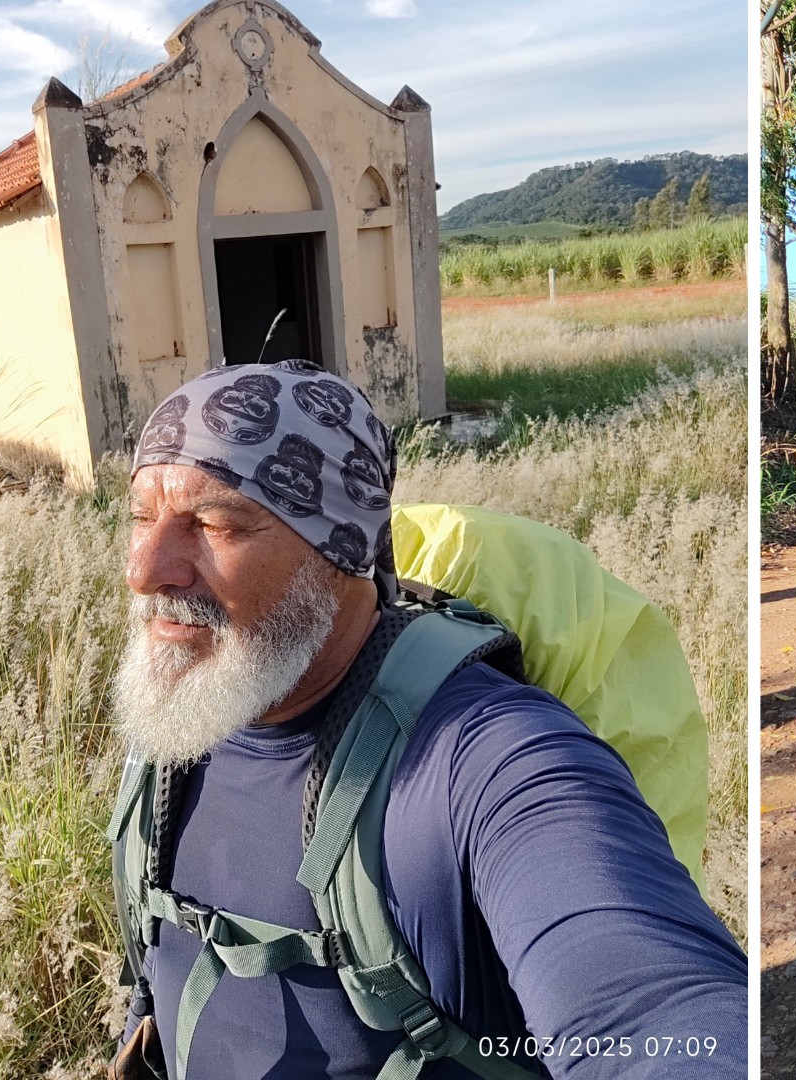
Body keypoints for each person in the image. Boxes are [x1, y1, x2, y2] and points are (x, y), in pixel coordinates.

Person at [110, 361, 747, 1077]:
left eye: (214, 522)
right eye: (142, 515)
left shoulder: (491, 759)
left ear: (339, 547)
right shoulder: (180, 725)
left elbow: (656, 1011)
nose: (146, 566)